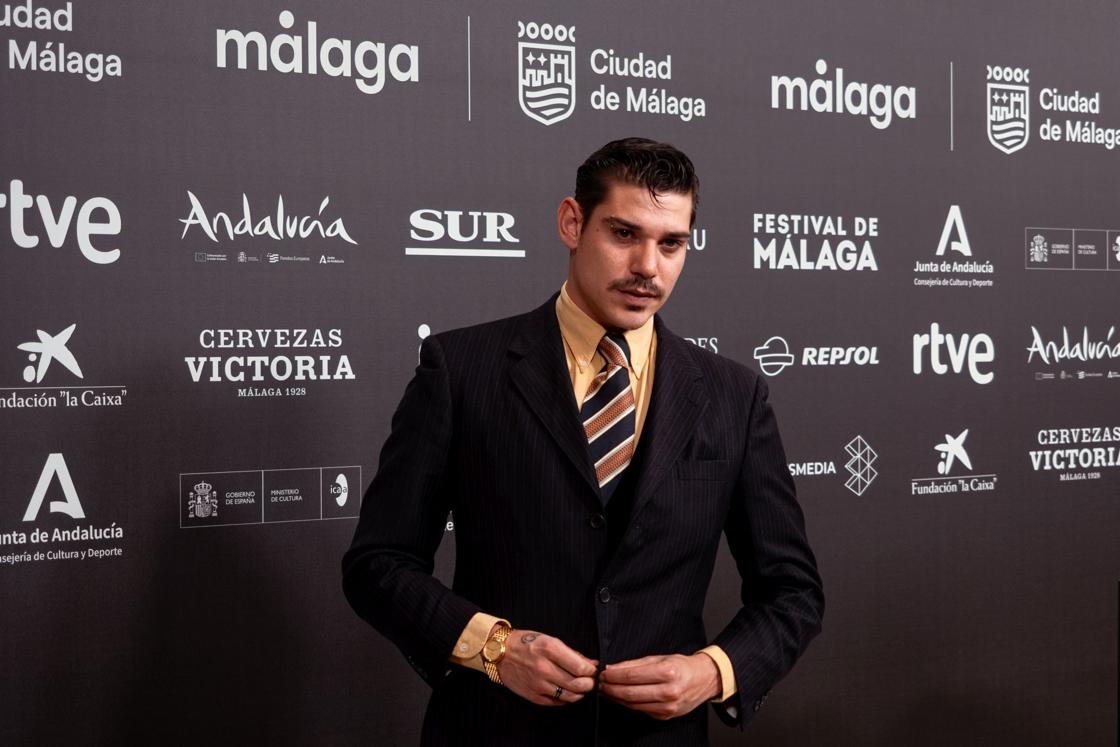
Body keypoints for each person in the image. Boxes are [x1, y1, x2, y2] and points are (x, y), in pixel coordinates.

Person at [342, 137, 823, 745]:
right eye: (624, 234)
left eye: (671, 243)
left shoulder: (735, 396)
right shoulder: (461, 370)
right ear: (573, 222)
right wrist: (491, 646)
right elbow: (377, 565)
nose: (649, 267)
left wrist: (711, 671)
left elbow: (793, 593)